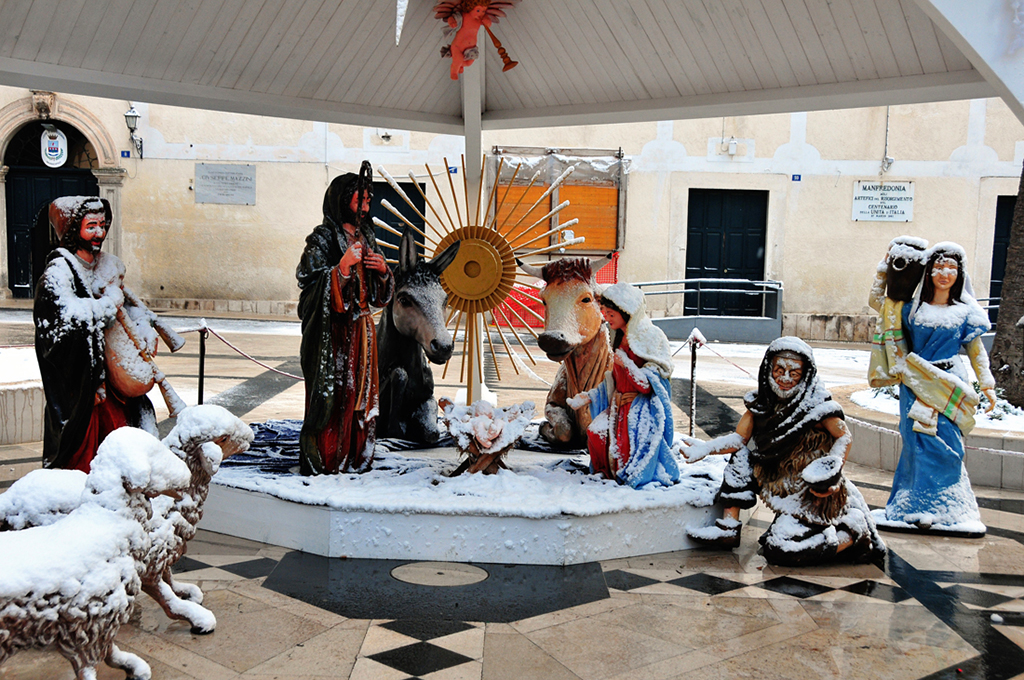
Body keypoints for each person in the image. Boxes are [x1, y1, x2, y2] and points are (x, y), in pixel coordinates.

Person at [681, 338, 885, 566]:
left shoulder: (816, 407)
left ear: (805, 375)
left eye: (794, 373)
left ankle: (850, 536)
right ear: (768, 370)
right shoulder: (761, 404)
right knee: (740, 456)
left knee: (779, 550)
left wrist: (831, 469)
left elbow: (843, 435)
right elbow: (739, 439)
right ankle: (729, 528)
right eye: (779, 370)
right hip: (773, 475)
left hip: (807, 489)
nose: (785, 379)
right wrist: (706, 448)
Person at [870, 242, 995, 536]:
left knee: (948, 447)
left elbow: (977, 352)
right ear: (928, 272)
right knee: (917, 445)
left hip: (950, 383)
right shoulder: (911, 309)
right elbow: (878, 302)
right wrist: (883, 268)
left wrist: (987, 383)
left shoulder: (965, 313)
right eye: (939, 267)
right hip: (916, 381)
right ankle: (913, 507)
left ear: (959, 274)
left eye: (951, 268)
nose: (944, 273)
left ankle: (947, 508)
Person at [34, 196, 157, 472]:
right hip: (83, 387)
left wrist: (144, 326)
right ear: (72, 229)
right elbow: (66, 319)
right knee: (82, 455)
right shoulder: (58, 272)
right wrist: (105, 307)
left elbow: (133, 308)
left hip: (115, 381)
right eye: (91, 226)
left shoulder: (107, 266)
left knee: (125, 436)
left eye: (102, 225)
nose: (99, 233)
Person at [296, 162, 394, 475]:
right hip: (333, 336)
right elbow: (308, 282)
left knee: (362, 397)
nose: (366, 206)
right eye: (360, 200)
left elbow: (379, 295)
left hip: (363, 331)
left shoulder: (366, 235)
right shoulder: (323, 238)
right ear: (343, 200)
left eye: (368, 200)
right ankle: (327, 460)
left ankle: (356, 456)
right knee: (336, 394)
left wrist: (382, 271)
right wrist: (341, 269)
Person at [568, 282, 679, 488]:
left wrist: (626, 364)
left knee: (624, 445)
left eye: (611, 314)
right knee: (595, 432)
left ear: (627, 312)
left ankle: (622, 476)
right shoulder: (620, 337)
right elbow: (615, 379)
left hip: (638, 408)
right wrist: (590, 396)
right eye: (604, 313)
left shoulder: (650, 337)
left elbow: (648, 385)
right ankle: (604, 474)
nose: (606, 319)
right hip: (617, 404)